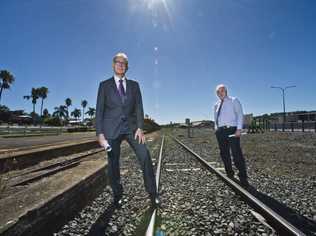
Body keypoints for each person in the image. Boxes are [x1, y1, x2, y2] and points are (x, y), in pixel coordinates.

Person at [95, 52, 159, 207]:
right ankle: (117, 195)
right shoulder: (104, 85)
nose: (121, 64)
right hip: (111, 130)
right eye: (118, 62)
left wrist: (140, 128)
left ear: (127, 67)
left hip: (132, 129)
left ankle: (153, 193)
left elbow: (138, 107)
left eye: (124, 63)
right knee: (113, 164)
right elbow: (99, 111)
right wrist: (100, 133)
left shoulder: (134, 85)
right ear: (113, 64)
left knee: (145, 156)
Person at [213, 84, 249, 188]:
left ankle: (243, 178)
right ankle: (229, 174)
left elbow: (240, 114)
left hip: (232, 130)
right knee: (224, 154)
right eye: (218, 92)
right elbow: (215, 118)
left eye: (222, 91)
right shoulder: (216, 105)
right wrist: (216, 129)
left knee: (236, 154)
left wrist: (239, 129)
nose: (220, 93)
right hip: (220, 132)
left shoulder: (234, 100)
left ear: (226, 91)